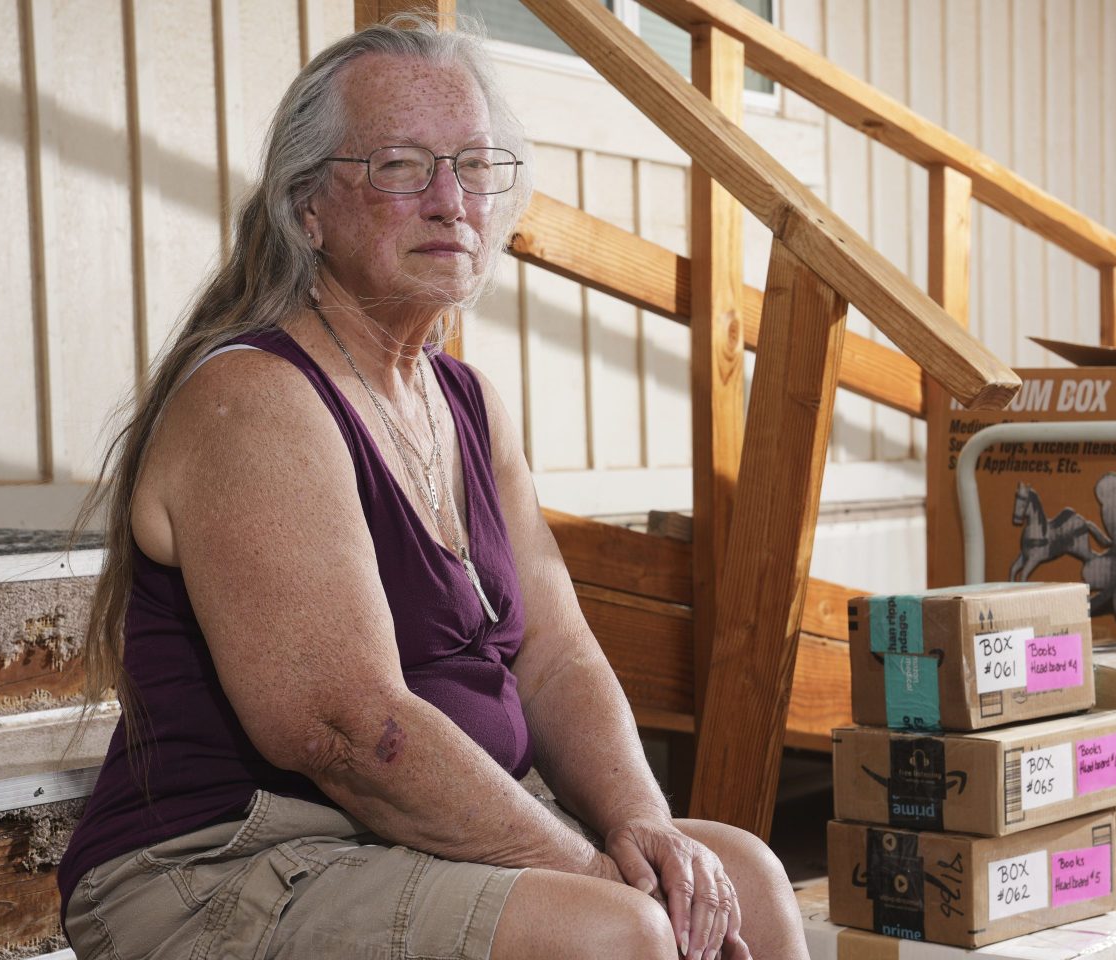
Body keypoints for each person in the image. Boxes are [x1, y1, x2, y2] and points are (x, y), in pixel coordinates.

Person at [58, 18, 810, 960]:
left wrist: (643, 829)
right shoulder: (255, 398)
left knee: (740, 876)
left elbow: (556, 657)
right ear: (307, 211)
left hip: (401, 840)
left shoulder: (467, 401)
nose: (452, 202)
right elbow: (349, 730)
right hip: (231, 864)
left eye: (476, 166)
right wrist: (596, 876)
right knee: (616, 933)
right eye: (402, 167)